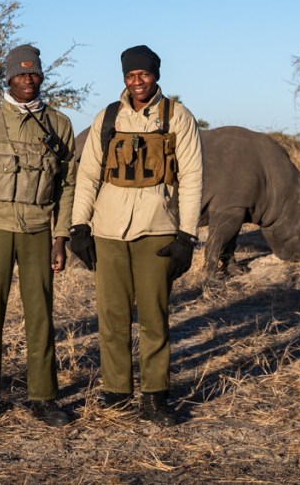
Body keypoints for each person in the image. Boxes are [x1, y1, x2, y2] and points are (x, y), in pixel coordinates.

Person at [70, 45, 203, 426]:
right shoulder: (108, 117)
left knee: (153, 316)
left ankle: (156, 396)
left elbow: (192, 178)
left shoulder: (177, 117)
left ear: (156, 75)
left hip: (157, 229)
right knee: (111, 316)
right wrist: (80, 226)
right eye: (131, 75)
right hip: (108, 230)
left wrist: (187, 236)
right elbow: (89, 174)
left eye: (144, 74)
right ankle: (115, 392)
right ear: (124, 77)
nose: (137, 81)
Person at [0, 44, 76, 429]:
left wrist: (61, 236)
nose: (28, 80)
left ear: (41, 76)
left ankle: (43, 397)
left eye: (34, 73)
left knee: (40, 315)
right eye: (20, 74)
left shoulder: (59, 124)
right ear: (8, 78)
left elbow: (67, 185)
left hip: (39, 230)